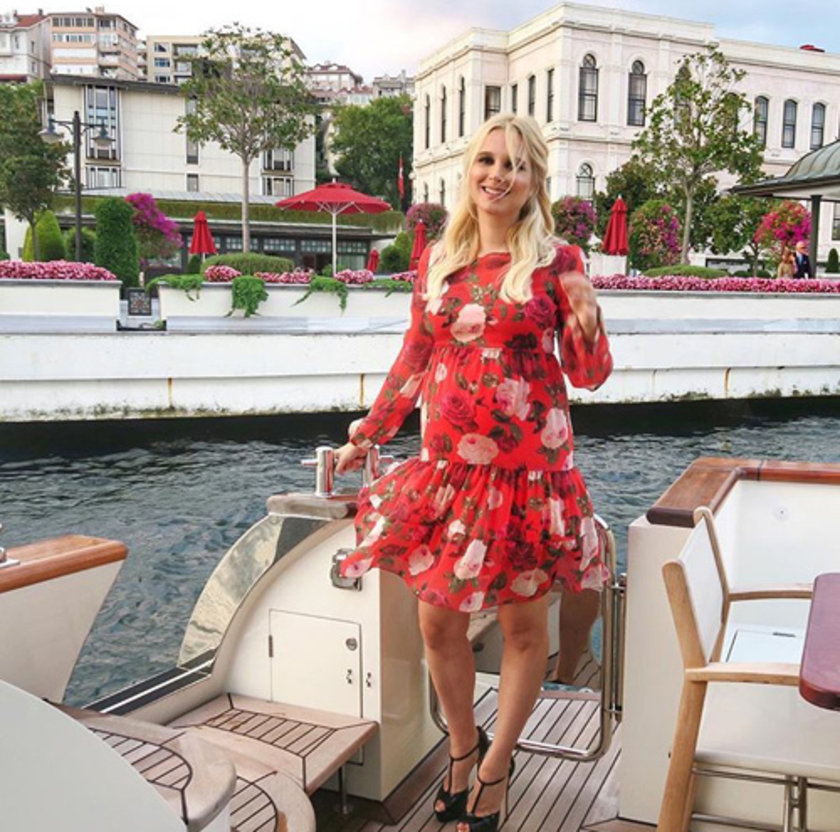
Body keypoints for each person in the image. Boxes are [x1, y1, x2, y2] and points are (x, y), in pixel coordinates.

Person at [335, 113, 613, 832]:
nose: (497, 175)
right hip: (448, 472)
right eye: (487, 160)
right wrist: (368, 433)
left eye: (514, 164)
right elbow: (415, 357)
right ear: (470, 171)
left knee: (522, 628)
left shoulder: (558, 260)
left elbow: (588, 375)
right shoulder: (440, 258)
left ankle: (495, 770)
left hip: (529, 476)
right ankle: (464, 746)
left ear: (534, 180)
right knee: (436, 623)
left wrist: (587, 315)